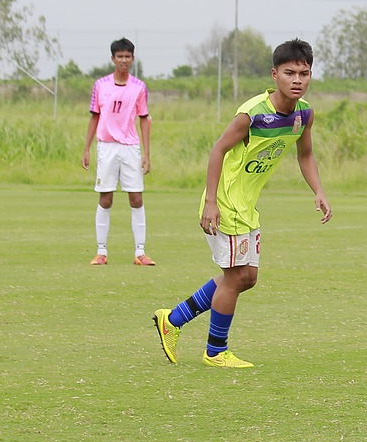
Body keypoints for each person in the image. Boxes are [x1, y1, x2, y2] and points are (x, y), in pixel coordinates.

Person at [152, 39, 332, 369]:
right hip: (225, 202)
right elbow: (217, 150)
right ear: (274, 74)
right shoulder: (252, 114)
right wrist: (210, 202)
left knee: (247, 278)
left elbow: (304, 155)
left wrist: (318, 191)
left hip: (247, 205)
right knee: (235, 277)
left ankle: (173, 319)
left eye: (304, 73)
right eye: (289, 73)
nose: (297, 80)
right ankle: (215, 351)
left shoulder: (303, 113)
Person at [82, 38, 154, 266]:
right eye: (119, 56)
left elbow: (144, 119)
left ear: (132, 59)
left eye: (127, 56)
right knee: (106, 197)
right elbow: (95, 116)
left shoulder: (139, 87)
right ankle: (101, 252)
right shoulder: (100, 85)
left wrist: (146, 153)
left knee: (136, 198)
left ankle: (140, 252)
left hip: (130, 147)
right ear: (112, 58)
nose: (124, 60)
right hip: (106, 146)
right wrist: (86, 148)